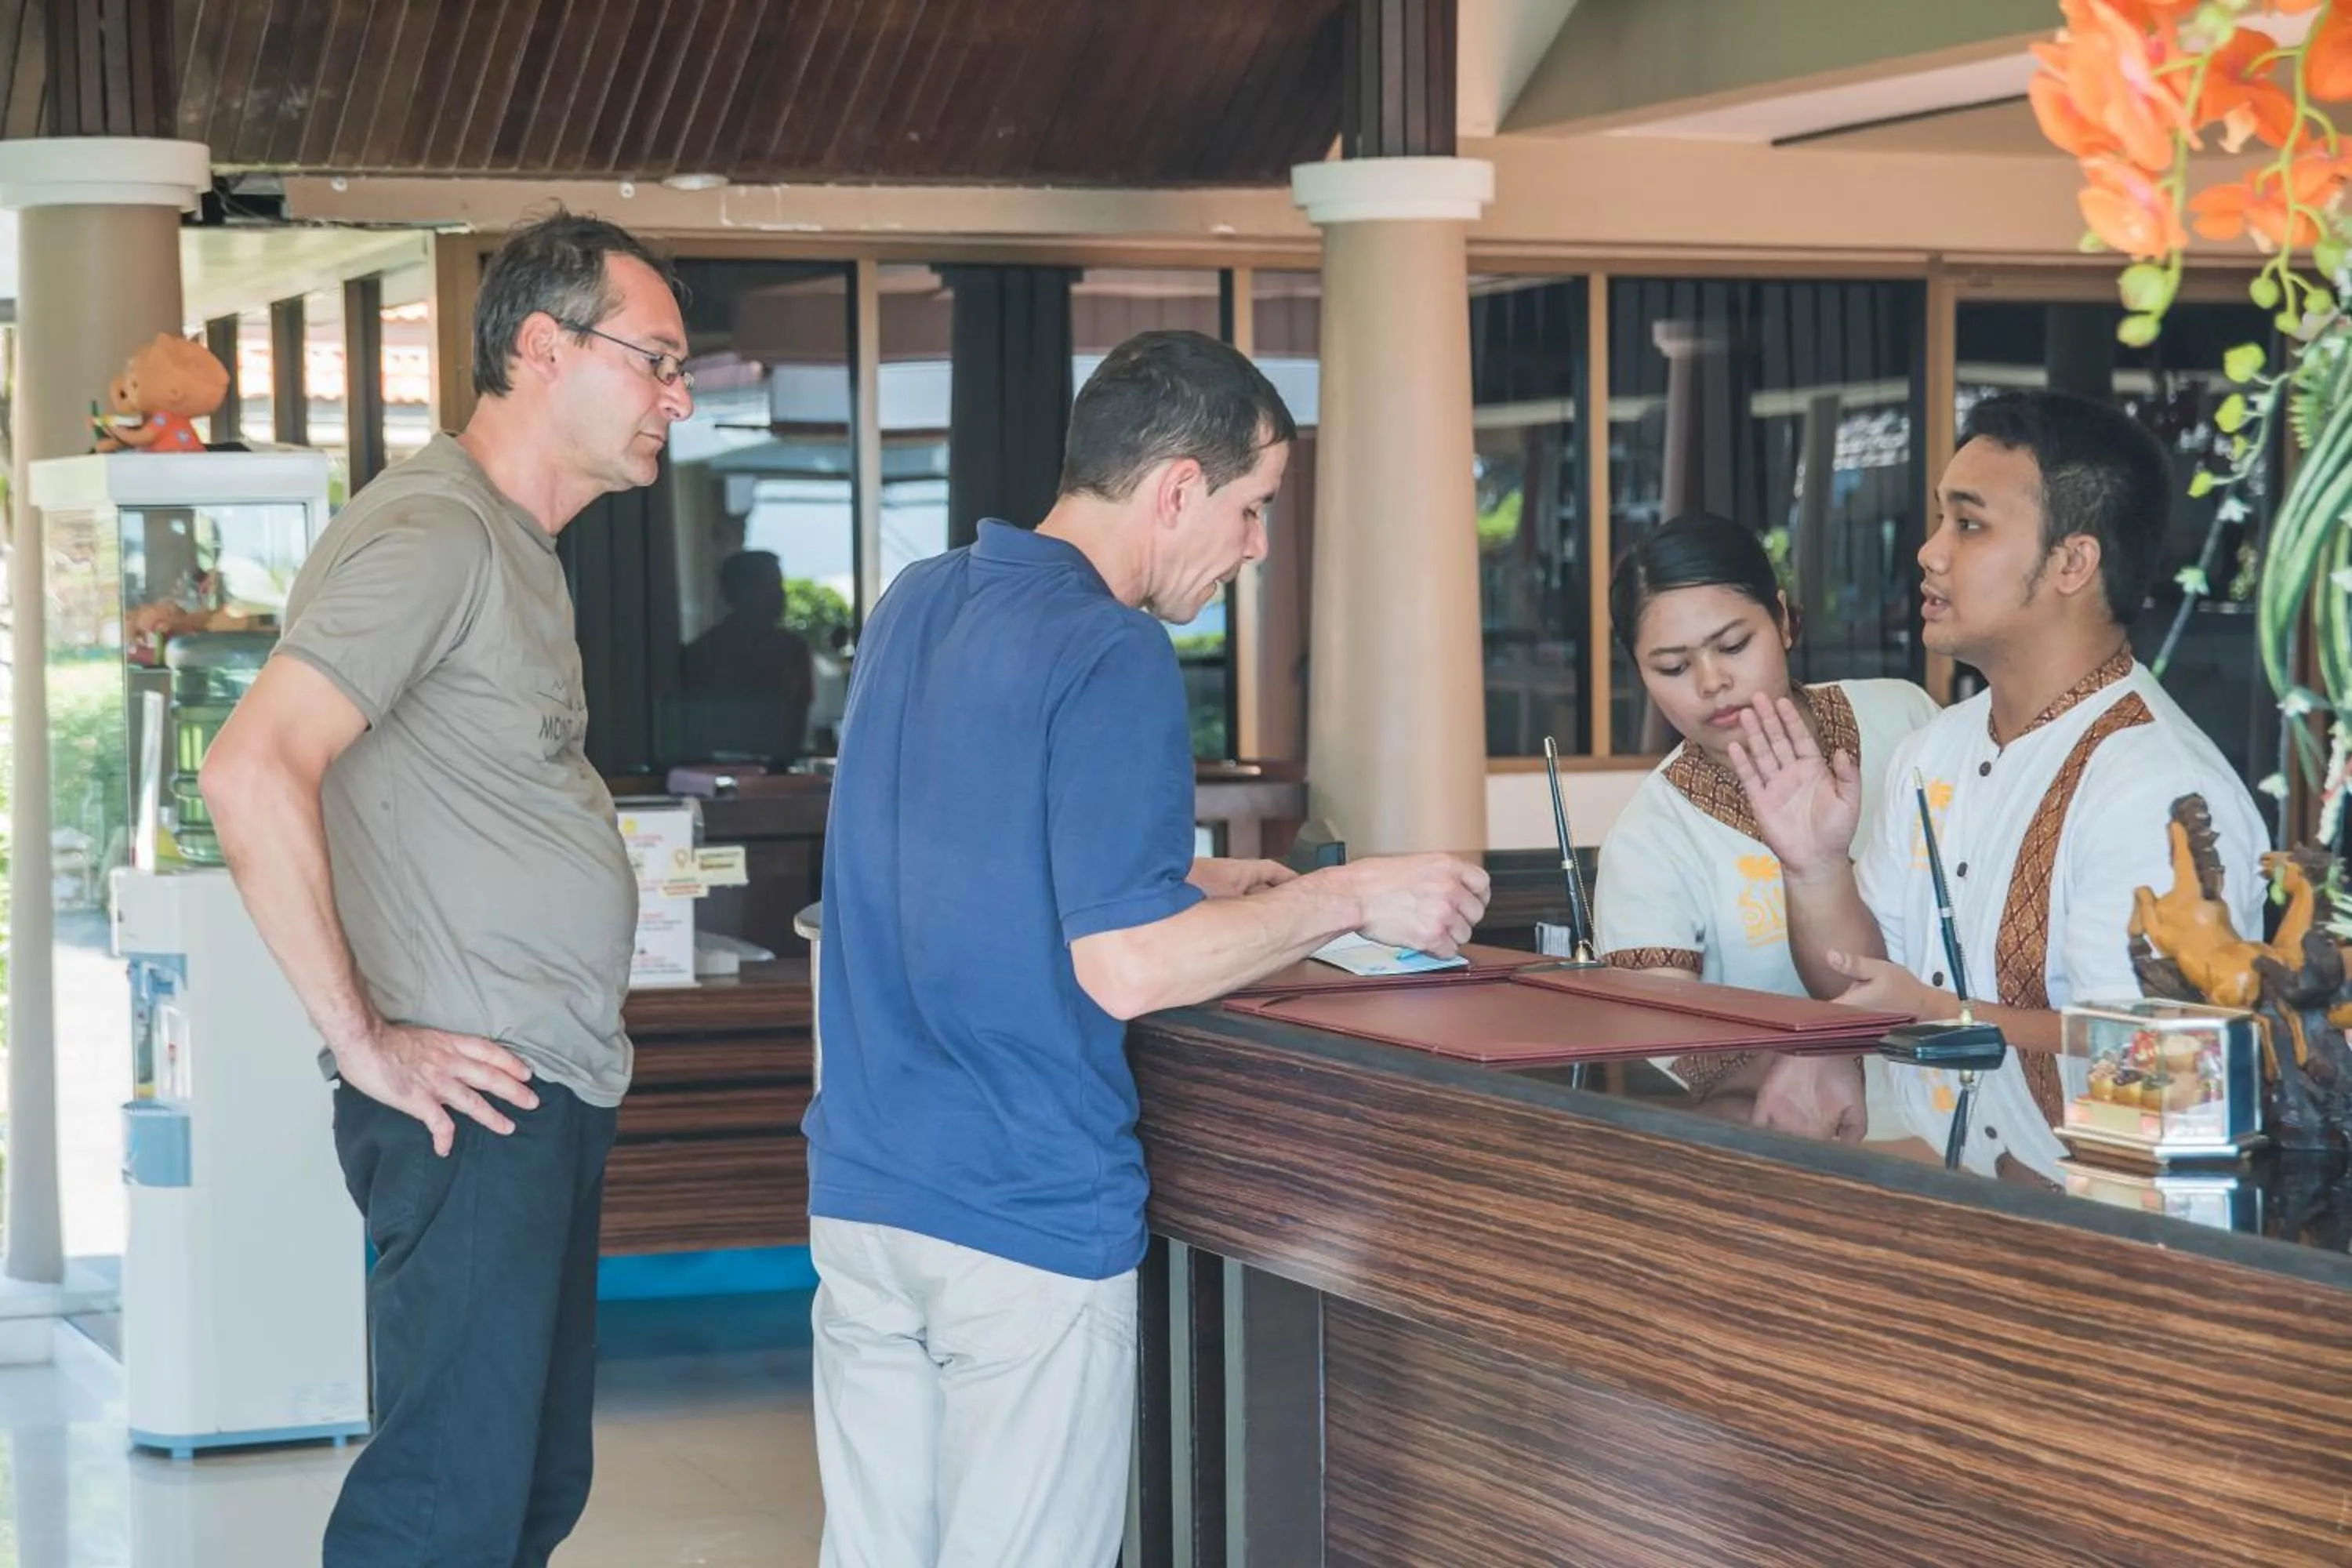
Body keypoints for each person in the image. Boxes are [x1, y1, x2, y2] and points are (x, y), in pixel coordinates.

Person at [804, 328, 1491, 1566]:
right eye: (1252, 508)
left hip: (866, 1194)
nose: (1256, 548)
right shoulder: (1112, 648)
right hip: (1020, 1213)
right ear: (1179, 487)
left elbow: (957, 836)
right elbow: (1126, 966)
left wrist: (1195, 876)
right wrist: (1349, 898)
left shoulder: (922, 601)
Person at [199, 210, 695, 1564]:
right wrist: (365, 1043)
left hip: (533, 1082)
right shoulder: (435, 533)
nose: (678, 395)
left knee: (523, 1491)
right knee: (445, 1510)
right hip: (470, 1094)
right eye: (656, 358)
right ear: (544, 346)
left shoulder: (513, 550)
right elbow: (250, 771)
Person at [1729, 390, 2268, 1184]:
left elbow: (2171, 1074)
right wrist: (1814, 868)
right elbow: (1867, 987)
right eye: (1941, 519)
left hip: (2104, 1248)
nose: (1930, 552)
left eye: (1969, 524)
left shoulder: (2156, 789)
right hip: (1968, 1214)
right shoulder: (1933, 750)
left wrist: (1954, 1019)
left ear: (2072, 563)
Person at [1595, 513, 1940, 1134]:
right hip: (1785, 1145)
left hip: (1958, 1121)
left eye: (1732, 646)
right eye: (1672, 668)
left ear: (1783, 619)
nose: (1712, 682)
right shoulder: (1650, 838)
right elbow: (1657, 1050)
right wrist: (1789, 1074)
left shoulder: (1905, 716)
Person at [678, 548, 817, 765]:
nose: (779, 594)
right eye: (767, 586)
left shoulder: (794, 649)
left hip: (781, 776)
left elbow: (799, 719)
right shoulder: (704, 652)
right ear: (737, 592)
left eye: (778, 585)